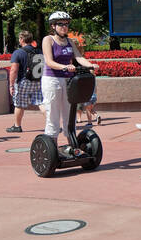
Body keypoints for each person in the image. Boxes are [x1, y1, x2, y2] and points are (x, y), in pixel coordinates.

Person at [40, 13, 99, 148]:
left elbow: (78, 58)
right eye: (61, 24)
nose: (64, 27)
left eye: (66, 24)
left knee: (69, 114)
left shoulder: (70, 41)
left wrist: (90, 64)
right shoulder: (48, 40)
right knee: (53, 114)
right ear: (53, 26)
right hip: (52, 80)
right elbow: (49, 61)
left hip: (67, 81)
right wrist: (65, 67)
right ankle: (52, 147)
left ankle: (72, 146)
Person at [6, 31, 44, 133]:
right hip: (38, 80)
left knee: (19, 104)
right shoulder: (39, 51)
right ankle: (52, 124)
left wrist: (11, 85)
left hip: (23, 81)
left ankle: (17, 126)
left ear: (22, 40)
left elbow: (14, 70)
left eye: (19, 38)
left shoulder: (18, 52)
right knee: (41, 102)